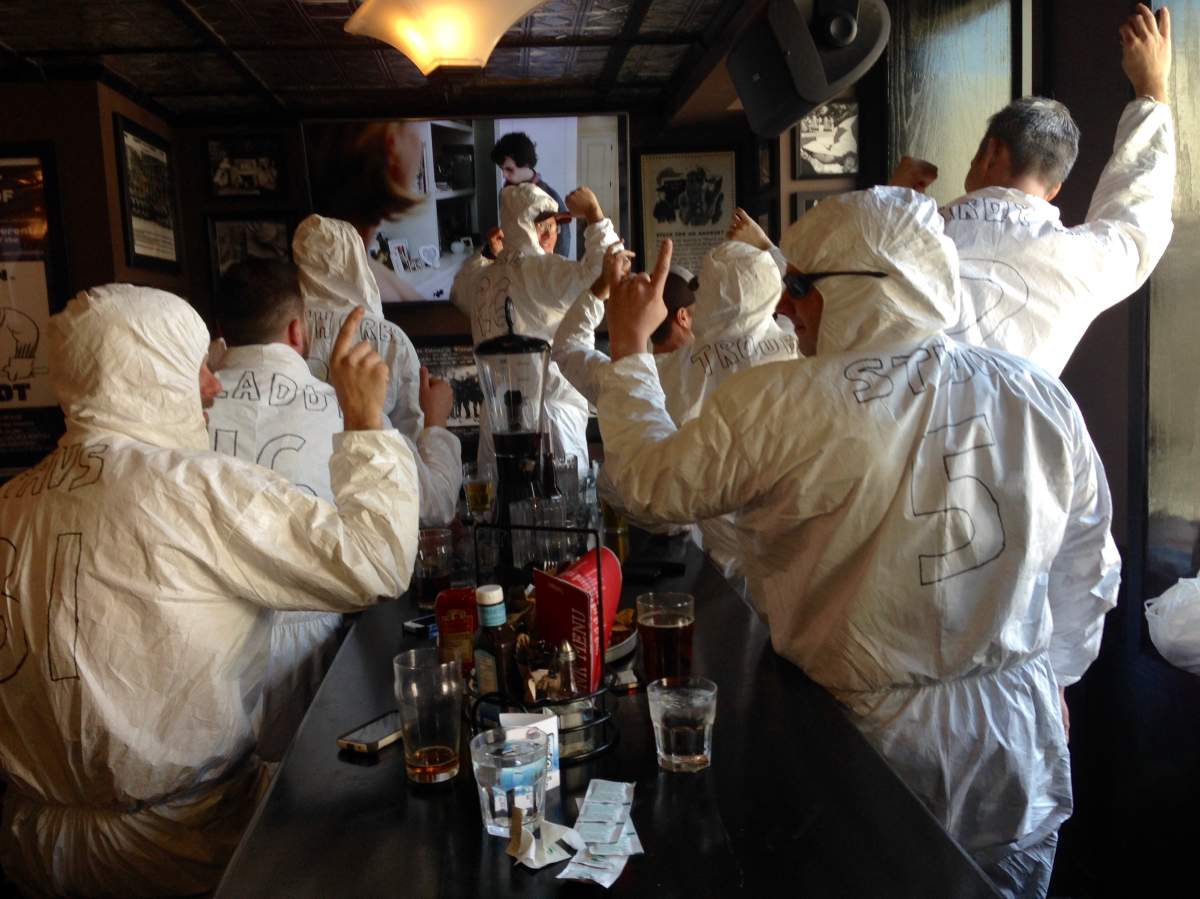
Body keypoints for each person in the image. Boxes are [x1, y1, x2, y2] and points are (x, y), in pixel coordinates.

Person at [595, 189, 1120, 897]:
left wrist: (629, 347)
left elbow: (648, 486)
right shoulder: (1037, 395)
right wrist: (1056, 671)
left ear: (871, 288)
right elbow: (1087, 561)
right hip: (1013, 743)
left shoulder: (780, 403)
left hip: (862, 749)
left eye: (801, 285)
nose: (784, 306)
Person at [0, 285, 418, 896]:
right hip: (183, 849)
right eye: (195, 366)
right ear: (151, 370)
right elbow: (374, 560)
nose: (213, 387)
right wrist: (363, 420)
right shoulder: (195, 490)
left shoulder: (11, 503)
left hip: (31, 853)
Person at [205, 259, 461, 761]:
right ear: (299, 330)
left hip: (211, 656)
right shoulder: (343, 407)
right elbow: (431, 507)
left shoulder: (190, 412)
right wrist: (436, 425)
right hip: (315, 651)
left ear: (221, 332)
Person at [452, 182, 619, 473]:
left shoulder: (480, 280)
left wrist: (488, 254)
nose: (554, 235)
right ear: (540, 229)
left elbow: (458, 292)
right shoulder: (546, 271)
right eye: (553, 227)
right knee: (564, 513)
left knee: (499, 515)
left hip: (496, 426)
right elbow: (605, 271)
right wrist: (594, 215)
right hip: (552, 423)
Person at [294, 213, 425, 442]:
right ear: (357, 257)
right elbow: (410, 431)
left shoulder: (285, 330)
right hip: (374, 464)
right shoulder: (393, 337)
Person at [306, 120, 427, 302]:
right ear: (391, 145)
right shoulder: (362, 293)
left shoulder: (352, 260)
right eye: (418, 127)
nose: (421, 142)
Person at [491, 131, 570, 257]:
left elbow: (563, 241)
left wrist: (555, 271)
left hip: (540, 268)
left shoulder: (548, 196)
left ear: (526, 164)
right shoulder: (504, 193)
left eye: (509, 169)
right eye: (502, 169)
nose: (504, 175)